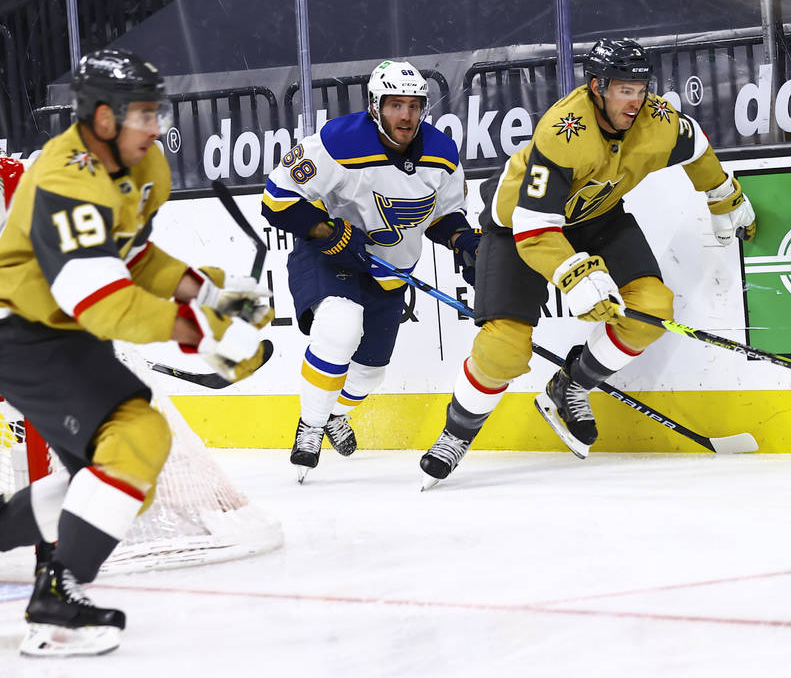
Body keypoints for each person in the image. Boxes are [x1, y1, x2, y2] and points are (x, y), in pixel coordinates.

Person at [0, 48, 272, 657]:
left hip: (59, 332)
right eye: (141, 114)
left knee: (121, 478)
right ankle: (55, 602)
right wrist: (199, 328)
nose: (155, 126)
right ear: (100, 116)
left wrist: (212, 295)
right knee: (139, 436)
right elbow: (100, 303)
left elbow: (136, 259)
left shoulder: (143, 166)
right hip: (22, 331)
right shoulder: (64, 179)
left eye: (156, 112)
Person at [419, 37, 756, 486]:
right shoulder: (564, 132)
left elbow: (695, 147)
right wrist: (575, 273)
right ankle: (456, 435)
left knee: (652, 309)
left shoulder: (657, 120)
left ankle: (572, 385)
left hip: (597, 215)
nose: (635, 101)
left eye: (640, 89)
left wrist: (721, 194)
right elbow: (535, 228)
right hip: (520, 226)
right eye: (623, 90)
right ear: (596, 86)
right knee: (503, 349)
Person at [261, 59, 479, 482]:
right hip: (329, 256)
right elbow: (276, 199)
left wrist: (464, 242)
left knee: (370, 371)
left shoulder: (442, 153)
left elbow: (444, 216)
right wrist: (328, 231)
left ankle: (332, 415)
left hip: (390, 268)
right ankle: (310, 425)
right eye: (395, 105)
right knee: (339, 326)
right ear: (376, 106)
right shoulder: (336, 143)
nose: (406, 115)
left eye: (414, 105)